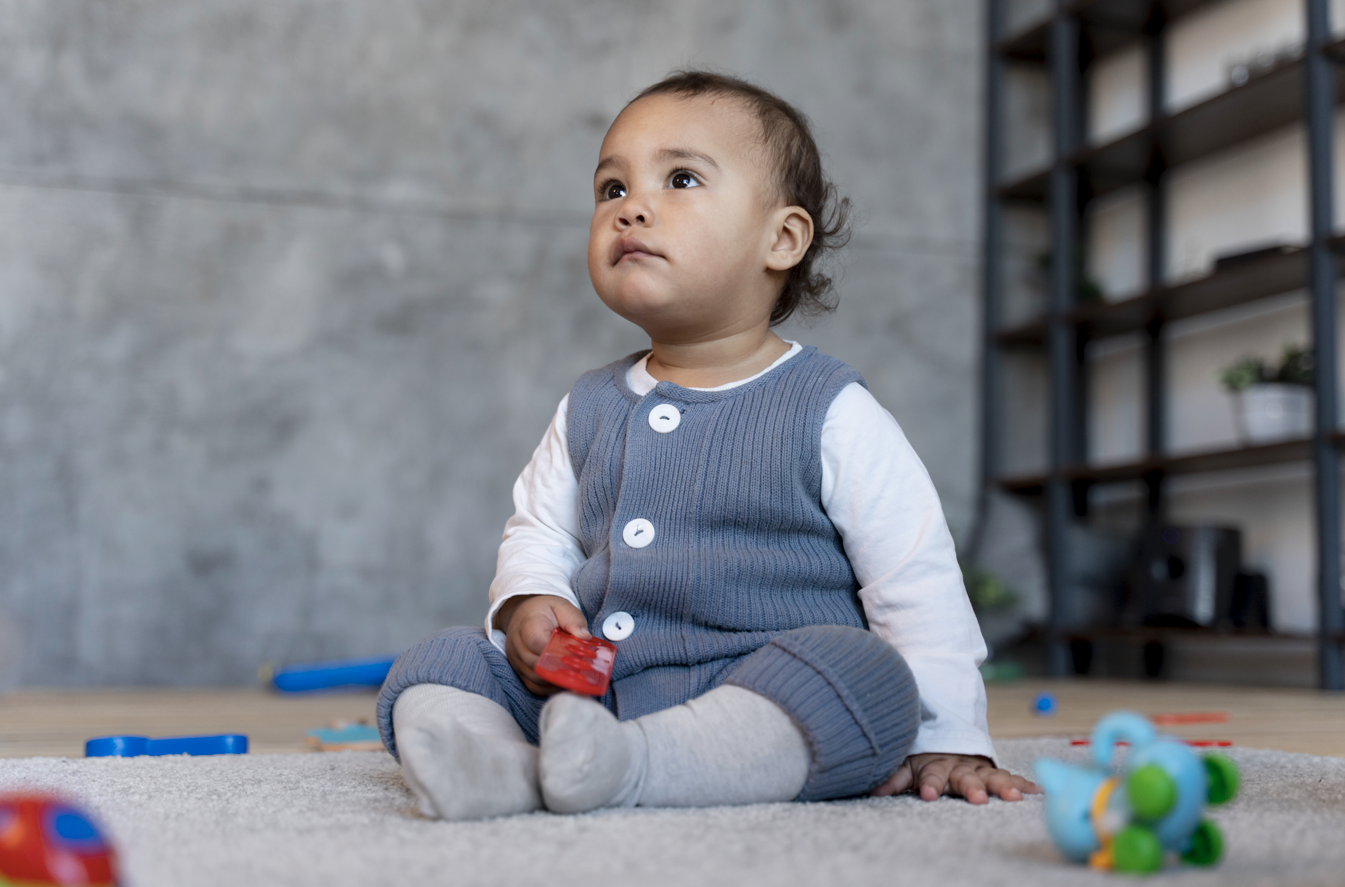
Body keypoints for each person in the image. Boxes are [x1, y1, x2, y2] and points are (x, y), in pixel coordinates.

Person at [376, 70, 1039, 821]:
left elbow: (913, 579)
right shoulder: (588, 405)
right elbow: (540, 529)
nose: (632, 210)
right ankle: (498, 767)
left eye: (680, 178)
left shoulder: (829, 409)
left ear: (781, 238)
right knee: (442, 661)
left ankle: (642, 764)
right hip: (594, 686)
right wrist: (534, 599)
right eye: (610, 190)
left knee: (868, 676)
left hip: (764, 694)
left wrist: (951, 733)